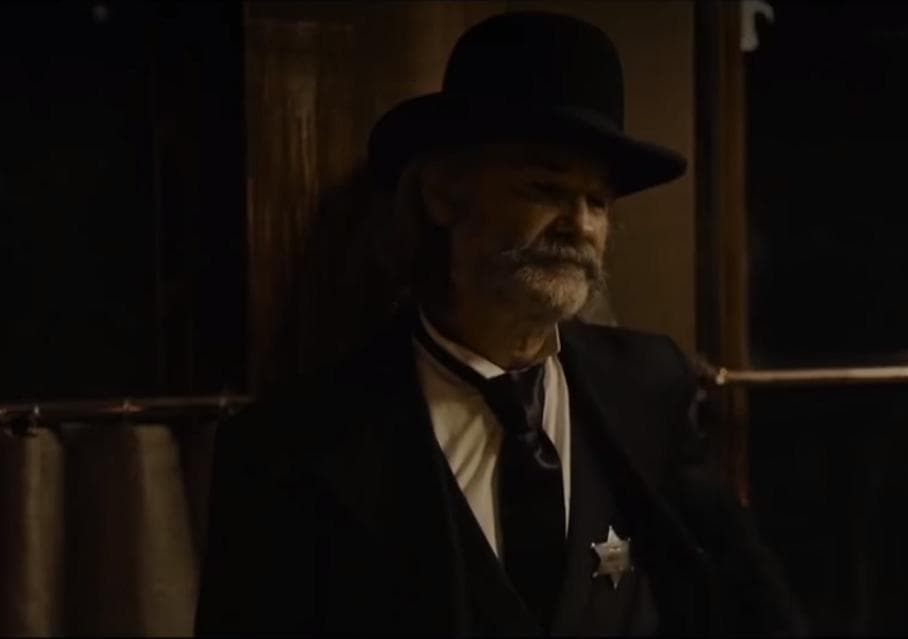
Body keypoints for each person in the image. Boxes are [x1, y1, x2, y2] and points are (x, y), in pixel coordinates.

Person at [196, 11, 802, 636]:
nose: (580, 224)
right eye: (545, 188)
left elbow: (750, 602)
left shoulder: (649, 391)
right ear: (442, 194)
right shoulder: (289, 449)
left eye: (598, 201)